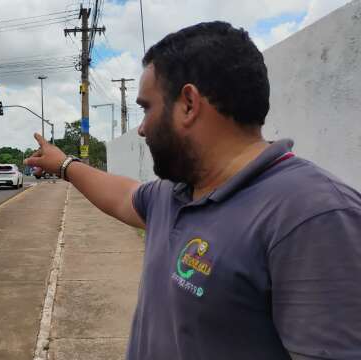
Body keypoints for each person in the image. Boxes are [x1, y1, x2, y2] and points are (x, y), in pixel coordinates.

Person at [25, 21, 361, 360]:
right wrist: (64, 165)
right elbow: (123, 196)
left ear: (188, 103)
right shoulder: (176, 193)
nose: (141, 129)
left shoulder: (314, 217)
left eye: (146, 108)